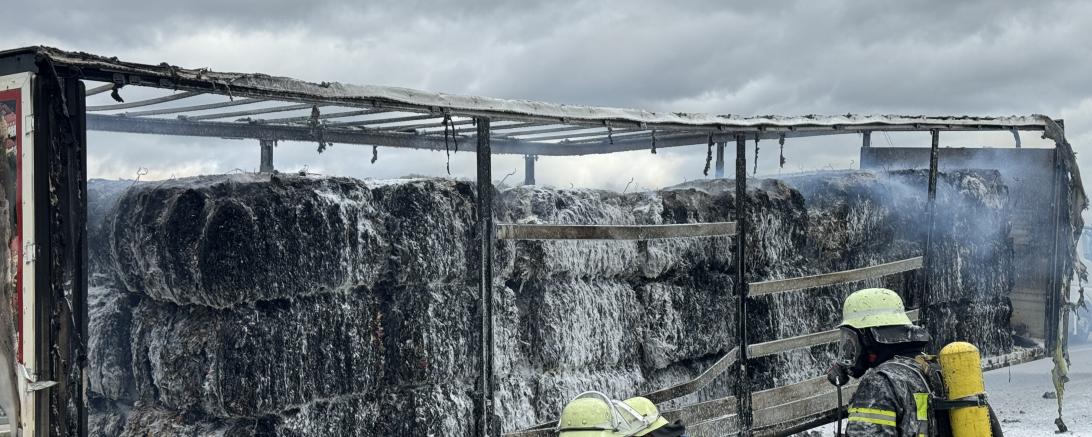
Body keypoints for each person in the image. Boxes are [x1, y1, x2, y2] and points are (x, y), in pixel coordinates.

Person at [827, 288, 1003, 437]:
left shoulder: (878, 383)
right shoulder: (936, 369)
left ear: (869, 338)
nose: (850, 348)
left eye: (851, 339)